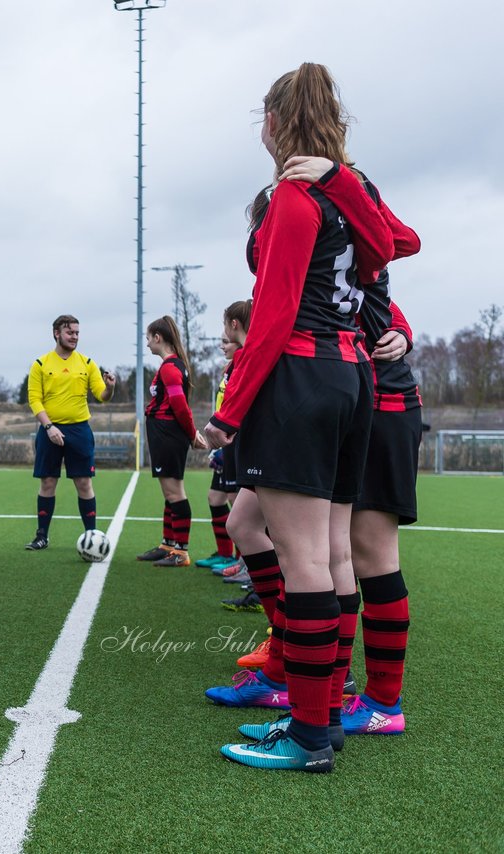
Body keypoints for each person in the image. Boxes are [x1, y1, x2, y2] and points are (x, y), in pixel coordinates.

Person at [204, 64, 393, 773]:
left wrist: (228, 413)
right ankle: (323, 715)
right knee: (331, 555)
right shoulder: (354, 189)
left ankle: (311, 734)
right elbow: (399, 242)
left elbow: (274, 317)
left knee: (306, 559)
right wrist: (344, 177)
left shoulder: (293, 196)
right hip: (351, 378)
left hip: (306, 378)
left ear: (276, 122)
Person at [24, 315, 116, 550]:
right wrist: (49, 427)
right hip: (49, 430)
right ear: (57, 333)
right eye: (70, 332)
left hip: (79, 431)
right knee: (47, 482)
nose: (75, 337)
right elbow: (34, 399)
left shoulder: (87, 363)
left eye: (77, 333)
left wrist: (110, 388)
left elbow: (101, 397)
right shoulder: (41, 364)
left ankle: (92, 536)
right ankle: (41, 535)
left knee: (84, 483)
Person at [137, 316, 207, 567]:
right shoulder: (171, 365)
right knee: (169, 492)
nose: (147, 344)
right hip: (163, 433)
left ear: (158, 338)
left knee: (175, 492)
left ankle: (181, 552)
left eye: (148, 338)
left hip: (168, 434)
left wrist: (192, 435)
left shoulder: (170, 367)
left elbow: (180, 406)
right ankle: (168, 545)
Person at [196, 301, 251, 576]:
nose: (222, 344)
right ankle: (230, 556)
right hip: (227, 444)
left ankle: (246, 564)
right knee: (220, 499)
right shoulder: (233, 366)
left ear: (234, 325)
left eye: (223, 338)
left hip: (239, 444)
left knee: (242, 509)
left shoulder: (250, 360)